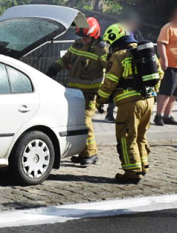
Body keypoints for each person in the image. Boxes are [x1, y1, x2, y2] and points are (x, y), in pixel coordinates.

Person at [92, 23, 163, 183]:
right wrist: (152, 93)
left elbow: (110, 81)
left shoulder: (119, 55)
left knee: (126, 137)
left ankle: (132, 172)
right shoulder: (146, 52)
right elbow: (160, 73)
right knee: (141, 135)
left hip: (129, 104)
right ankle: (142, 165)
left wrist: (99, 100)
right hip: (149, 101)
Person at [46, 17, 107, 165]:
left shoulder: (102, 49)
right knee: (75, 122)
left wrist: (106, 95)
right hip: (74, 93)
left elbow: (111, 71)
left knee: (85, 121)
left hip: (90, 94)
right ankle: (82, 152)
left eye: (86, 38)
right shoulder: (77, 44)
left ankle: (91, 154)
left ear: (94, 35)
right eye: (81, 37)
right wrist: (54, 69)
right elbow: (66, 59)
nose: (83, 40)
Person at [105, 12, 145, 123]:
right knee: (115, 86)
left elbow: (141, 44)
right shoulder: (119, 31)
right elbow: (111, 46)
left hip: (132, 64)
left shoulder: (136, 32)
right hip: (119, 61)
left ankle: (131, 115)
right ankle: (109, 114)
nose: (132, 24)